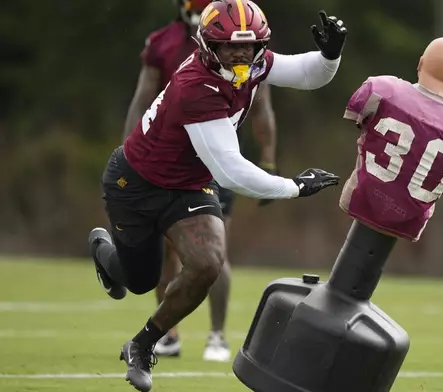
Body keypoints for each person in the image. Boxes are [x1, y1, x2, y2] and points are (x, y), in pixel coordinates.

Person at [88, 1, 348, 390]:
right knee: (140, 280)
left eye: (249, 46)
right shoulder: (198, 85)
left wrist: (330, 55)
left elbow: (307, 73)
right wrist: (294, 186)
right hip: (137, 185)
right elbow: (231, 170)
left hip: (190, 183)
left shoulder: (254, 62)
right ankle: (105, 252)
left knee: (207, 264)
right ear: (209, 45)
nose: (242, 54)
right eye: (230, 46)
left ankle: (142, 346)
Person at [122, 0, 280, 362]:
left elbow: (264, 104)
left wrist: (269, 160)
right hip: (166, 160)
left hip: (215, 158)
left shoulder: (244, 43)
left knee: (213, 252)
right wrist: (127, 155)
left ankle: (217, 335)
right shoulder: (162, 42)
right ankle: (169, 333)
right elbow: (141, 100)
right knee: (164, 251)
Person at [340, 37, 443, 242]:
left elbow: (358, 119)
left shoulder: (381, 89)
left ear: (420, 63)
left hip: (361, 199)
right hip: (410, 220)